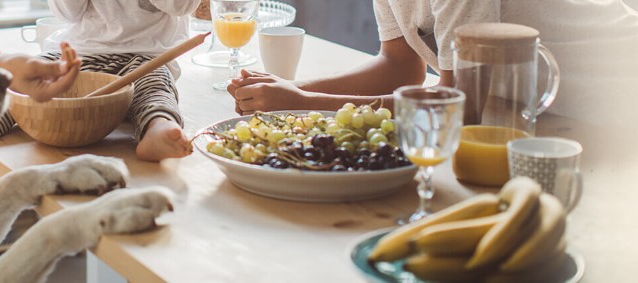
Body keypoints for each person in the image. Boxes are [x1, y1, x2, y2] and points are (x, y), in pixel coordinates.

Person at [226, 0, 638, 123]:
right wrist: (291, 93)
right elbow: (400, 66)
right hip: (545, 109)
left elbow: (460, 104)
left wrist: (306, 105)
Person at [0, 0, 200, 174]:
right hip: (82, 51)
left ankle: (158, 127)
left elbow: (181, 5)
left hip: (147, 56)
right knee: (19, 93)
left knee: (155, 87)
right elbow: (68, 11)